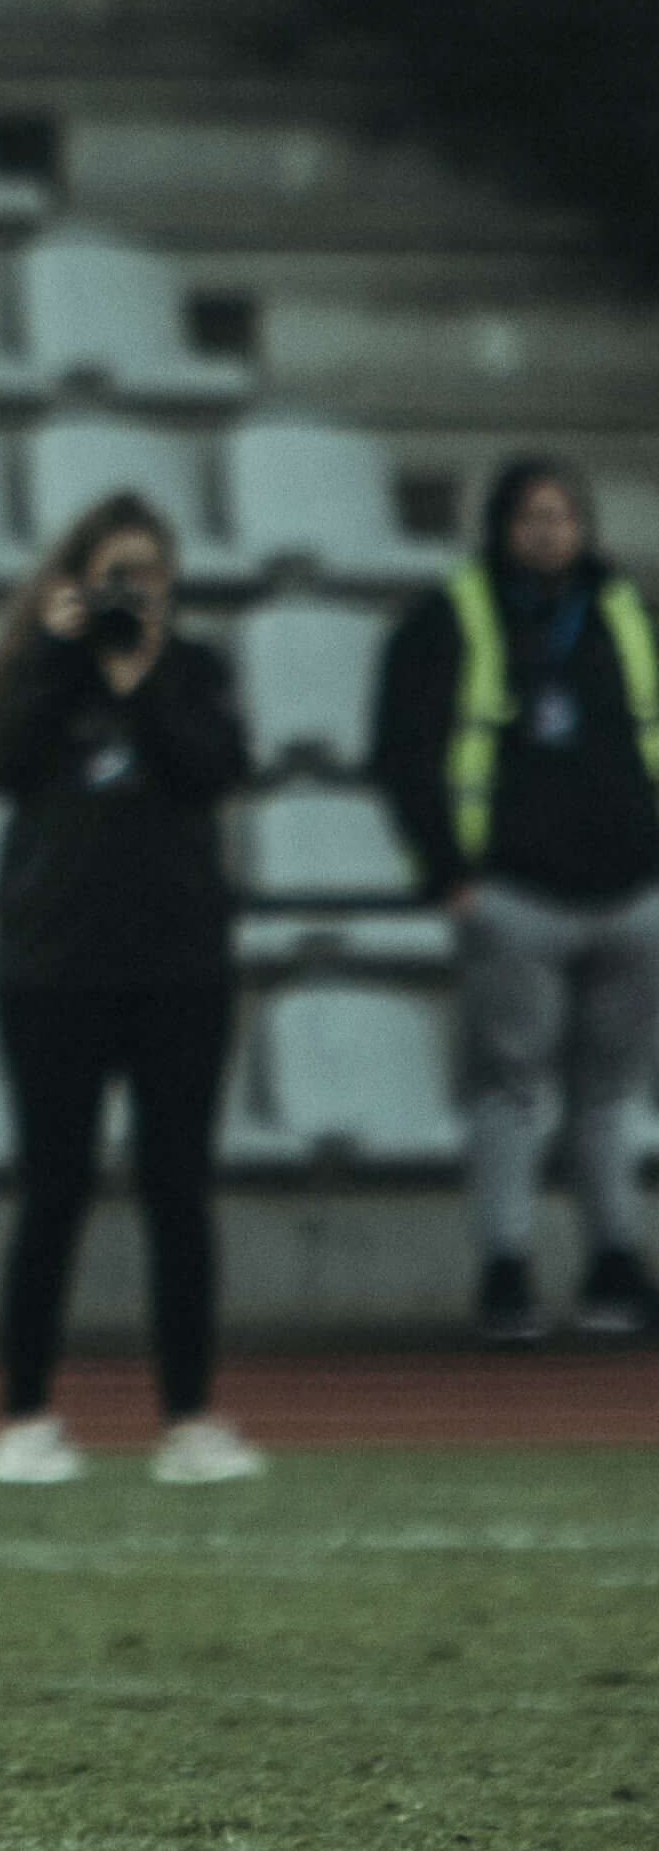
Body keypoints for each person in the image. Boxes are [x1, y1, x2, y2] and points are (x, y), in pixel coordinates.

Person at [0, 492, 265, 1489]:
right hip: (52, 968)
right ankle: (24, 1414)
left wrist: (139, 679)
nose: (133, 592)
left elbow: (210, 771)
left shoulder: (194, 671)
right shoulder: (35, 670)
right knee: (51, 1191)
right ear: (79, 577)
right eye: (115, 573)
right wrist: (58, 656)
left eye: (150, 572)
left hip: (178, 966)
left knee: (178, 1192)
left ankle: (187, 1416)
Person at [370, 456, 659, 1341]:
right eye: (532, 515)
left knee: (610, 1092)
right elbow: (402, 748)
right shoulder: (449, 617)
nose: (548, 531)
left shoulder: (622, 611)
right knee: (510, 1089)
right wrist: (447, 875)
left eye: (563, 515)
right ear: (500, 524)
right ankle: (507, 1263)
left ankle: (615, 1259)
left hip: (630, 894)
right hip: (514, 894)